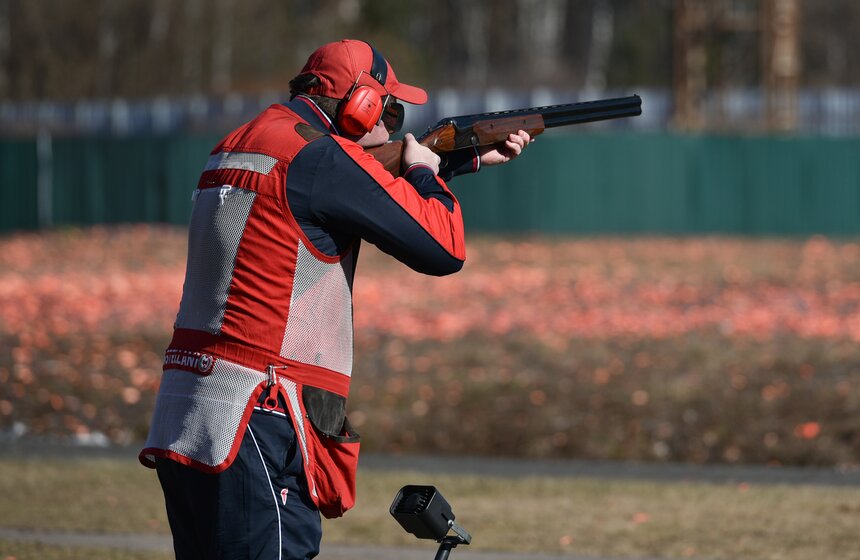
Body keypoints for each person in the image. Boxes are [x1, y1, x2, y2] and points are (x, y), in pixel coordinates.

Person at [139, 39, 531, 560]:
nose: (392, 127)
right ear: (360, 104)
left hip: (191, 415)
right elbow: (443, 247)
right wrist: (421, 173)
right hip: (259, 415)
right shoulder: (320, 156)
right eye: (389, 110)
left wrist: (453, 164)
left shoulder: (244, 141)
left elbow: (349, 198)